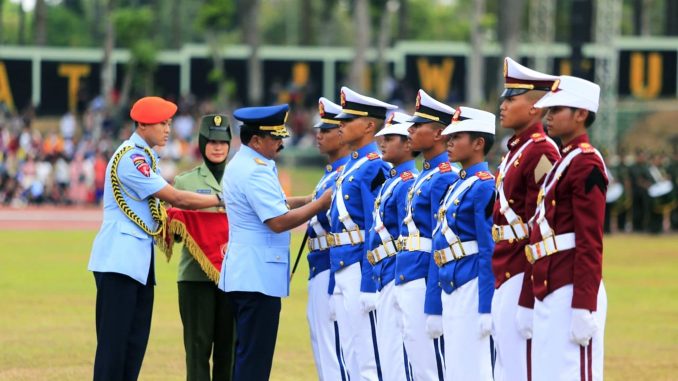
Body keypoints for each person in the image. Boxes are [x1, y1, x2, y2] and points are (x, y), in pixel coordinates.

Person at [88, 96, 224, 381]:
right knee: (114, 349)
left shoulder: (146, 157)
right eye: (162, 123)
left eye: (169, 123)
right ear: (142, 124)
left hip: (136, 264)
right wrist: (222, 199)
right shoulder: (131, 158)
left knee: (133, 346)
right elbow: (174, 197)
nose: (167, 129)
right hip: (119, 261)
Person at [217, 104, 332, 381]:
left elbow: (272, 204)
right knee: (254, 362)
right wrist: (320, 204)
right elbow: (278, 220)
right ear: (256, 140)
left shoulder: (244, 163)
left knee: (247, 355)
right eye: (275, 138)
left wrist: (306, 200)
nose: (280, 143)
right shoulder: (255, 170)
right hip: (257, 277)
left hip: (246, 274)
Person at [527, 76, 608, 380]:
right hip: (551, 281)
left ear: (581, 114)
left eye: (556, 109)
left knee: (576, 372)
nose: (547, 116)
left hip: (574, 286)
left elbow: (590, 240)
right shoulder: (565, 160)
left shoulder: (587, 163)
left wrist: (584, 304)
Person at [492, 57, 561, 381]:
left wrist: (530, 292)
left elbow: (542, 224)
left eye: (511, 98)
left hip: (521, 270)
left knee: (522, 368)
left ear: (535, 107)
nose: (502, 105)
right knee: (506, 365)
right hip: (504, 266)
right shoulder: (516, 151)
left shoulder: (542, 152)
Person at [328, 86, 396, 380]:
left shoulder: (375, 168)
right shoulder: (351, 165)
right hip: (342, 264)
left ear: (370, 125)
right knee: (351, 353)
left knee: (370, 359)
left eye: (348, 119)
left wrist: (369, 282)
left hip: (359, 265)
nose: (340, 124)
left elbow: (375, 226)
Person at [431, 107, 496, 380]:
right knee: (455, 366)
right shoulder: (458, 183)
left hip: (470, 281)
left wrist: (486, 306)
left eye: (457, 136)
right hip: (450, 280)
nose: (449, 142)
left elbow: (488, 249)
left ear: (478, 143)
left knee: (476, 367)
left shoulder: (484, 185)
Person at [173, 114, 235, 381]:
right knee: (197, 351)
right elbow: (175, 232)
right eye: (211, 141)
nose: (218, 147)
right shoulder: (184, 183)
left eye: (222, 141)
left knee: (228, 350)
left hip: (233, 277)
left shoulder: (241, 178)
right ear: (201, 143)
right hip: (195, 278)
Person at [402, 89, 458, 380]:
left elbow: (440, 241)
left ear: (438, 133)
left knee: (430, 367)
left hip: (424, 276)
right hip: (407, 272)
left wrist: (433, 298)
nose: (409, 130)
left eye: (417, 126)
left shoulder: (445, 175)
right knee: (415, 361)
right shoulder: (424, 174)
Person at [367, 111, 419, 381]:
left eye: (389, 138)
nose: (382, 142)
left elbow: (405, 238)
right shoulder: (394, 180)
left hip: (395, 272)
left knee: (398, 358)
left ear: (408, 143)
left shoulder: (407, 184)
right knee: (387, 355)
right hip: (383, 272)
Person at [306, 98, 350, 381]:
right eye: (318, 129)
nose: (318, 135)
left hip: (333, 264)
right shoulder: (331, 172)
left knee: (336, 348)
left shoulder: (347, 172)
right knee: (322, 345)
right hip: (318, 262)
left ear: (342, 134)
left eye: (327, 130)